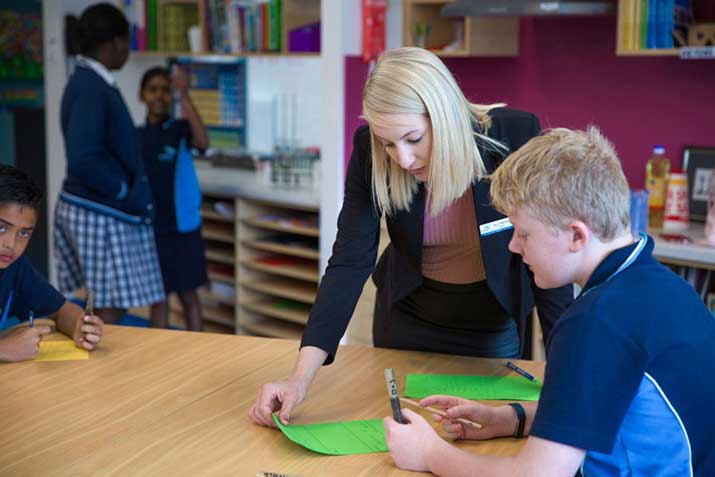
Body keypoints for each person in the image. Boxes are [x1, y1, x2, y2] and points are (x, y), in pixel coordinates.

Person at [250, 47, 573, 427]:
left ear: (445, 114)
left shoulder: (513, 137)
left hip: (490, 327)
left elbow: (552, 264)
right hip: (405, 319)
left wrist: (568, 375)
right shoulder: (370, 154)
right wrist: (299, 379)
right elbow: (348, 263)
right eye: (388, 143)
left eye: (413, 138)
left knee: (479, 436)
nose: (401, 159)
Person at [383, 127, 715, 476]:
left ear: (576, 235)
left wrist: (430, 454)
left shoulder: (595, 322)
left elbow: (538, 474)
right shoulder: (660, 286)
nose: (513, 245)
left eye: (523, 233)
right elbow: (604, 398)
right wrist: (509, 418)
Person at [54, 3, 165, 325]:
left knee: (110, 303)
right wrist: (122, 189)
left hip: (97, 206)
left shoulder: (89, 81)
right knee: (108, 306)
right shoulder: (92, 87)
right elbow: (83, 157)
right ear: (114, 43)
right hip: (101, 208)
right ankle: (105, 373)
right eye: (127, 41)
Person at [0, 165, 104, 362]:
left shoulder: (15, 267)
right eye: (1, 228)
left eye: (24, 233)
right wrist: (3, 349)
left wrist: (80, 327)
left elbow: (61, 310)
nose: (11, 244)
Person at [137, 66, 209, 331]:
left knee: (188, 294)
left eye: (165, 90)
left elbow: (202, 141)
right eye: (152, 89)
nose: (159, 96)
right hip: (152, 227)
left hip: (182, 227)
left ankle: (199, 355)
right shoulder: (137, 136)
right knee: (158, 297)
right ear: (141, 95)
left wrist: (184, 93)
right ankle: (160, 360)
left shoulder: (180, 129)